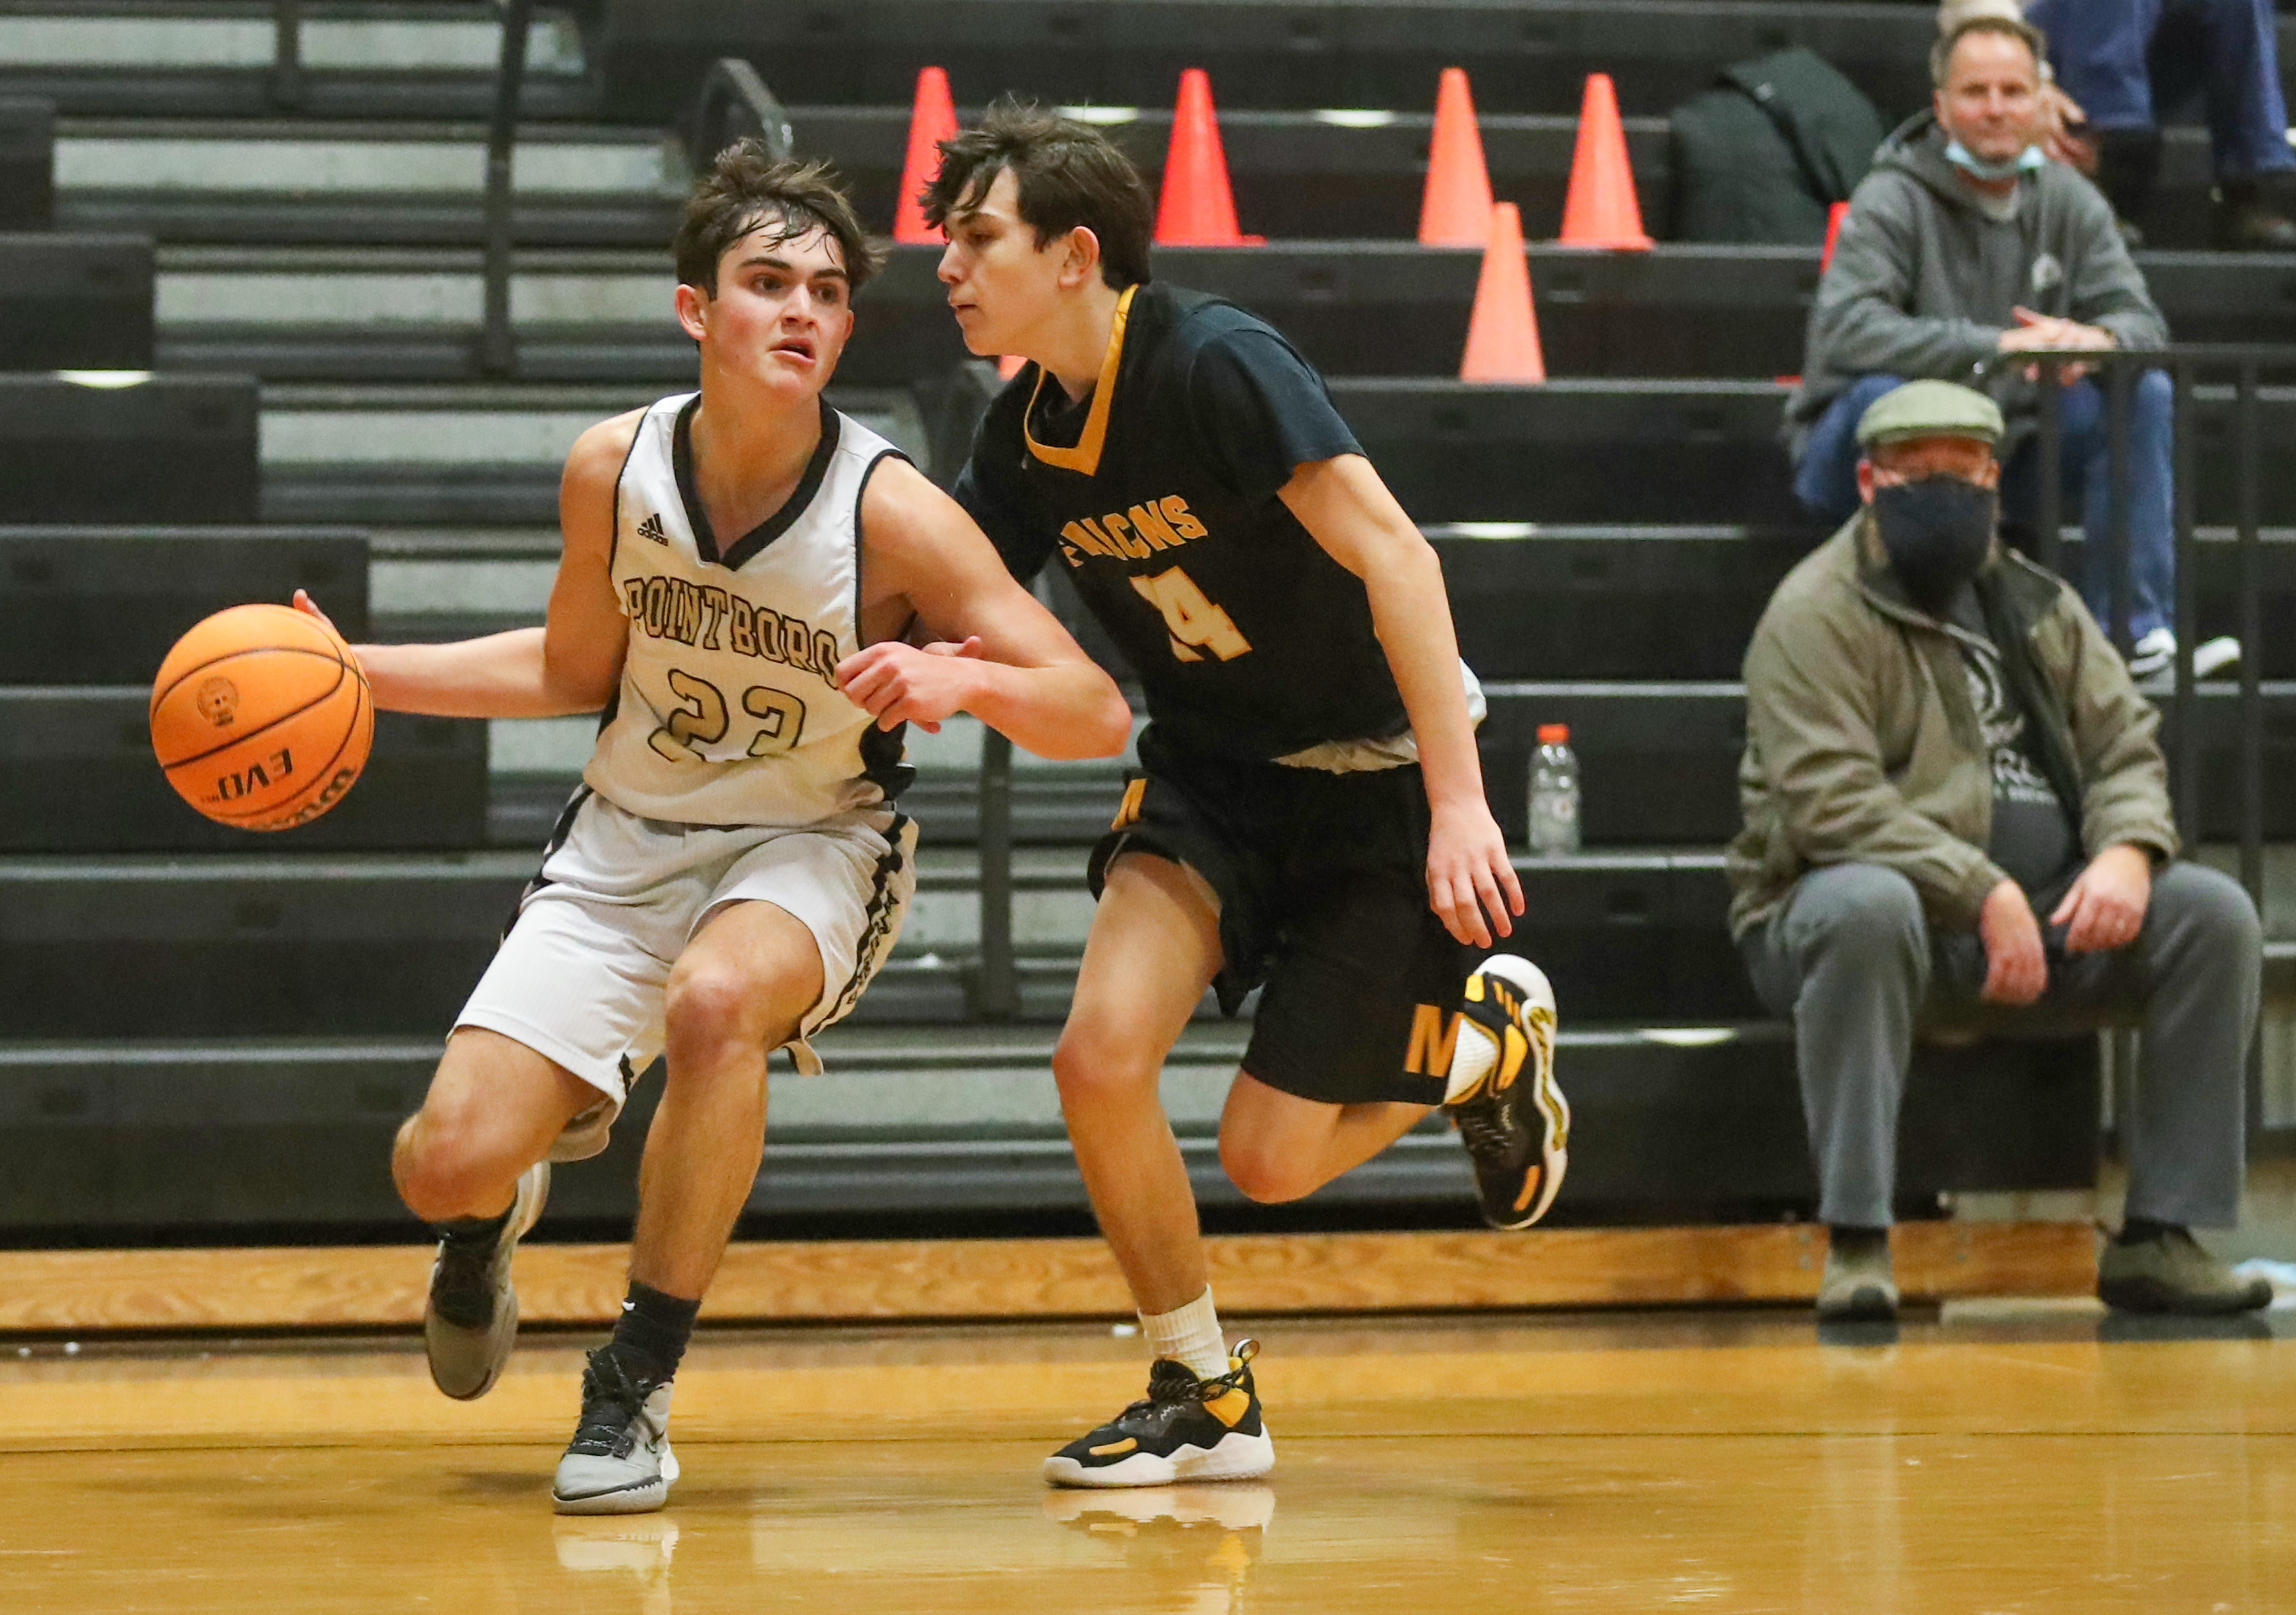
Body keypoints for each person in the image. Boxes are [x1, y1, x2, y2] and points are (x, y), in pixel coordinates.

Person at [304, 149, 1132, 1514]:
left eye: (824, 291)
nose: (799, 310)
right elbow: (575, 671)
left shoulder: (892, 513)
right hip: (627, 838)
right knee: (439, 1157)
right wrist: (359, 672)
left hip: (808, 845)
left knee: (714, 1003)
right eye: (766, 284)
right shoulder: (610, 469)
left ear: (846, 329)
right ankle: (492, 1206)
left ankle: (632, 1388)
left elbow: (1092, 708)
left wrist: (960, 677)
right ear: (697, 312)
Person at [926, 101, 1570, 1487]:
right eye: (944, 242)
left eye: (975, 237)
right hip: (1213, 776)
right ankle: (1201, 1387)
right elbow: (944, 588)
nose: (947, 267)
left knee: (1268, 1159)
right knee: (1094, 1058)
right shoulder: (1023, 436)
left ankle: (1490, 1055)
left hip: (1376, 778)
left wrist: (1460, 805)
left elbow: (1399, 562)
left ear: (1073, 253)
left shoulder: (1215, 362)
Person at [1734, 379, 2271, 1324]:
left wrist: (2128, 851)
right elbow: (1828, 802)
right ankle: (1857, 1240)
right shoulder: (1811, 611)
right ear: (1867, 479)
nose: (1943, 488)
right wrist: (1977, 886)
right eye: (1915, 471)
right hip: (1853, 920)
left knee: (2211, 915)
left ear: (1993, 477)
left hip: (2041, 916)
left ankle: (2160, 1236)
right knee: (1866, 904)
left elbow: (2123, 748)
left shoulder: (2037, 602)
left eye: (1963, 469)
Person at [1791, 10, 2234, 684]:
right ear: (1941, 108)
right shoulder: (1889, 196)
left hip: (2010, 449)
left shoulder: (2071, 200)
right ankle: (1905, 644)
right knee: (1892, 400)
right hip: (1856, 450)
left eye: (2013, 91)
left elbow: (2143, 322)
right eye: (1976, 93)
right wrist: (1996, 346)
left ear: (2042, 103)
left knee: (2139, 388)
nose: (1996, 109)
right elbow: (1849, 328)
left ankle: (2135, 637)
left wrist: (2096, 341)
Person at [1943, 0, 2296, 248]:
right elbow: (1974, 12)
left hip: (2148, 48)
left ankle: (2249, 184)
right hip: (2039, 40)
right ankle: (2106, 181)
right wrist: (2032, 79)